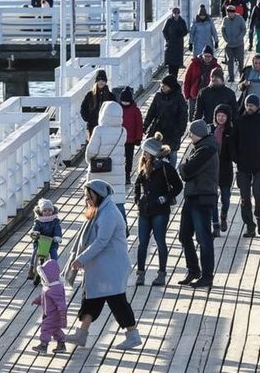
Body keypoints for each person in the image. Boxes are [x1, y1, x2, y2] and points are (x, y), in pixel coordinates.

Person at [61, 181, 142, 349]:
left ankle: (133, 335)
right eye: (85, 197)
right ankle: (81, 335)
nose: (87, 200)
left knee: (117, 301)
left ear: (98, 195)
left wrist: (81, 258)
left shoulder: (108, 214)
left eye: (89, 197)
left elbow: (101, 242)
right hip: (101, 267)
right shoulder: (101, 210)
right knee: (91, 300)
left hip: (111, 267)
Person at [132, 136, 183, 287]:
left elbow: (178, 186)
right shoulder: (143, 166)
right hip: (145, 209)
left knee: (160, 241)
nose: (144, 155)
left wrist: (165, 197)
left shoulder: (165, 168)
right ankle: (140, 273)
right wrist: (137, 199)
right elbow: (137, 183)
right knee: (142, 243)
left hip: (160, 210)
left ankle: (161, 274)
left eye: (146, 152)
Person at [176, 120, 219, 287]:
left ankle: (207, 275)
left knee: (204, 238)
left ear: (198, 133)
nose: (189, 136)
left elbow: (187, 172)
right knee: (184, 235)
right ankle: (193, 270)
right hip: (192, 196)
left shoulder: (206, 149)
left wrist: (182, 167)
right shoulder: (200, 147)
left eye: (191, 133)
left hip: (202, 197)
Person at [229, 95, 260, 237]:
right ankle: (250, 225)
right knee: (244, 198)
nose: (250, 107)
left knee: (259, 194)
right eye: (248, 105)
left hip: (259, 166)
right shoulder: (239, 122)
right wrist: (236, 158)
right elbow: (232, 142)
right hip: (243, 165)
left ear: (258, 106)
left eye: (252, 105)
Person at [87, 100, 129, 219]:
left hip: (99, 172)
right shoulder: (122, 131)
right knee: (117, 199)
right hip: (117, 171)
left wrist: (90, 160)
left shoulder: (99, 130)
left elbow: (90, 152)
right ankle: (122, 228)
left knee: (98, 201)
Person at [144, 75, 189, 165]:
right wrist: (145, 125)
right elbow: (151, 112)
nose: (162, 86)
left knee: (171, 154)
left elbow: (183, 118)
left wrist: (179, 133)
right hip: (157, 130)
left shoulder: (179, 99)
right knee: (152, 152)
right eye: (162, 84)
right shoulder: (158, 96)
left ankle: (170, 174)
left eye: (165, 85)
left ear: (171, 87)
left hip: (172, 132)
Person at [30, 256, 68, 353]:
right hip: (49, 313)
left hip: (54, 314)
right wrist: (37, 300)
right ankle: (61, 344)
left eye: (43, 276)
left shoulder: (55, 289)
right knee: (55, 329)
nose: (42, 278)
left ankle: (44, 344)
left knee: (45, 328)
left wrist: (63, 315)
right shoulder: (48, 286)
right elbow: (43, 296)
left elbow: (61, 304)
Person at [210, 104, 235, 237]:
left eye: (223, 116)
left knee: (225, 198)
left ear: (227, 117)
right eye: (218, 115)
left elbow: (235, 150)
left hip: (226, 168)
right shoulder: (210, 129)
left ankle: (223, 215)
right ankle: (215, 225)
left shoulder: (231, 131)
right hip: (212, 170)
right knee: (213, 199)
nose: (220, 118)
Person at [116, 87, 145, 184]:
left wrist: (138, 138)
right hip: (119, 139)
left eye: (126, 102)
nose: (125, 103)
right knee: (119, 158)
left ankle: (127, 175)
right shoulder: (118, 109)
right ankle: (119, 174)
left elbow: (139, 125)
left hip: (130, 139)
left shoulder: (135, 110)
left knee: (129, 158)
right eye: (123, 101)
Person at [182, 46, 220, 116]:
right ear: (202, 55)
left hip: (209, 96)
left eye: (209, 56)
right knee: (192, 116)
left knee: (207, 116)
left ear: (212, 57)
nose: (207, 58)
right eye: (205, 56)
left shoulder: (216, 67)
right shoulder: (193, 64)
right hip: (194, 94)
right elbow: (187, 80)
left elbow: (220, 83)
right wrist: (186, 95)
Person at [80, 70, 115, 137]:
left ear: (105, 82)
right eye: (99, 80)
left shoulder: (110, 96)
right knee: (93, 145)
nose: (101, 82)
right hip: (92, 125)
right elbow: (83, 108)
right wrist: (88, 119)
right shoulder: (90, 95)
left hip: (106, 125)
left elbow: (114, 108)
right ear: (96, 82)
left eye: (103, 80)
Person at [221, 5, 248, 81]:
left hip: (239, 44)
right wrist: (226, 39)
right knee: (230, 61)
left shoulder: (240, 18)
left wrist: (239, 37)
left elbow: (244, 29)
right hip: (229, 44)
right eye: (229, 12)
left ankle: (241, 76)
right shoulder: (225, 20)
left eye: (232, 12)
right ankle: (231, 77)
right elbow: (223, 30)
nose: (231, 13)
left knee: (240, 61)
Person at [163, 6, 190, 76]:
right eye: (175, 13)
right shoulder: (169, 21)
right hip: (170, 44)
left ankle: (175, 77)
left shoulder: (182, 21)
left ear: (179, 13)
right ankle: (171, 77)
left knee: (176, 64)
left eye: (177, 13)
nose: (176, 14)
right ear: (172, 13)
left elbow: (186, 31)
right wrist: (167, 39)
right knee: (171, 64)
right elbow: (164, 30)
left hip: (178, 44)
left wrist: (181, 34)